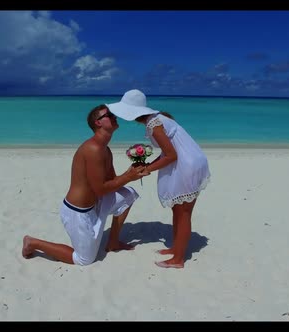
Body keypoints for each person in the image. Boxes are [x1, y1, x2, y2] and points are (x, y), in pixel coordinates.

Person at [22, 104, 149, 266]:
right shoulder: (93, 148)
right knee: (84, 259)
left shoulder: (105, 150)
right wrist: (128, 176)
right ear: (98, 122)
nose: (114, 116)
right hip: (78, 212)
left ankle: (113, 242)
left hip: (96, 204)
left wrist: (132, 173)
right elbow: (101, 189)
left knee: (128, 194)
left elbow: (112, 182)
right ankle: (33, 242)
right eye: (109, 115)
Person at [107, 90, 210, 269]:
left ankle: (178, 259)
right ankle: (176, 249)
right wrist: (148, 166)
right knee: (178, 210)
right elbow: (167, 152)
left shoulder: (154, 123)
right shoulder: (159, 118)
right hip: (190, 160)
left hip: (186, 165)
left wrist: (147, 169)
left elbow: (171, 155)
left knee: (183, 213)